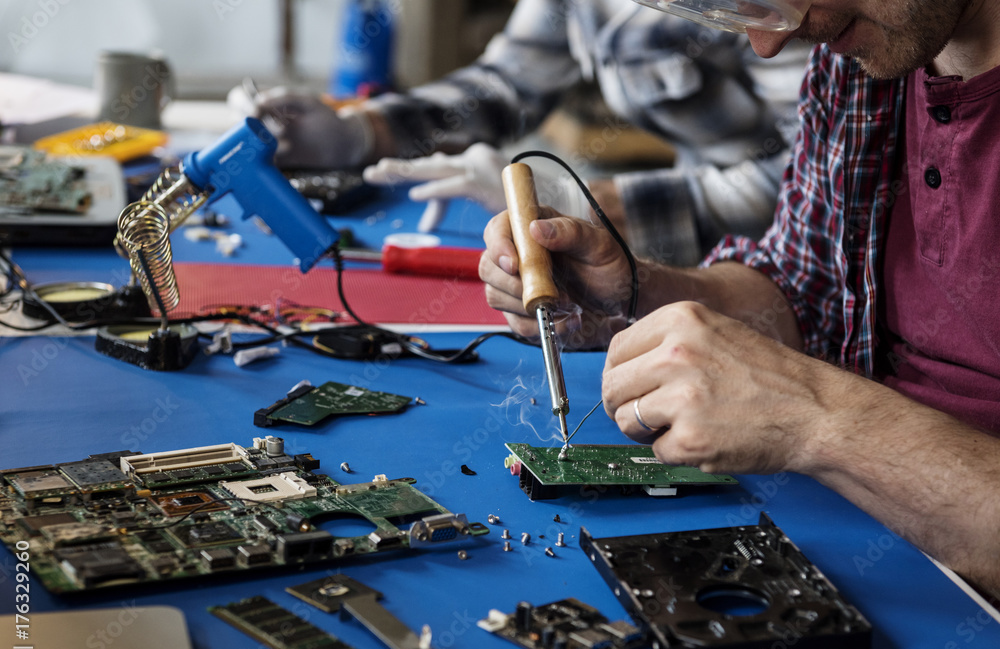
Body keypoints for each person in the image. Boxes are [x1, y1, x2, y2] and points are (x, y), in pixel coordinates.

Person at [479, 0, 1000, 598]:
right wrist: (634, 291)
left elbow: (809, 400)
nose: (768, 44)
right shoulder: (871, 60)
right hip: (864, 539)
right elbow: (808, 294)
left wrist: (814, 416)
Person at [246, 0, 810, 266]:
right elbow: (507, 83)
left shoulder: (786, 7)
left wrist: (584, 207)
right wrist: (360, 133)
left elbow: (803, 185)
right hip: (687, 249)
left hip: (785, 266)